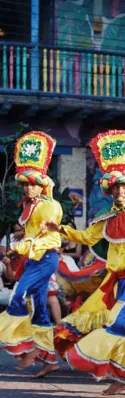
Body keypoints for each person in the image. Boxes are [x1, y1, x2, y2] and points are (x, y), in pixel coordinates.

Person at [49, 130, 125, 396]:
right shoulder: (105, 217)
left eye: (123, 187)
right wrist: (60, 229)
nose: (119, 191)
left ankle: (98, 360)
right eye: (115, 188)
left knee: (115, 321)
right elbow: (85, 236)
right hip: (116, 280)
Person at [0, 131, 63, 378]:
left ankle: (27, 348)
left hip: (45, 259)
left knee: (18, 296)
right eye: (25, 183)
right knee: (38, 309)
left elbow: (51, 238)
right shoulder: (29, 205)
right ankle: (49, 360)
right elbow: (31, 232)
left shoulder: (50, 206)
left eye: (33, 183)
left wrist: (22, 246)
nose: (29, 187)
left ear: (43, 184)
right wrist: (21, 239)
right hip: (33, 260)